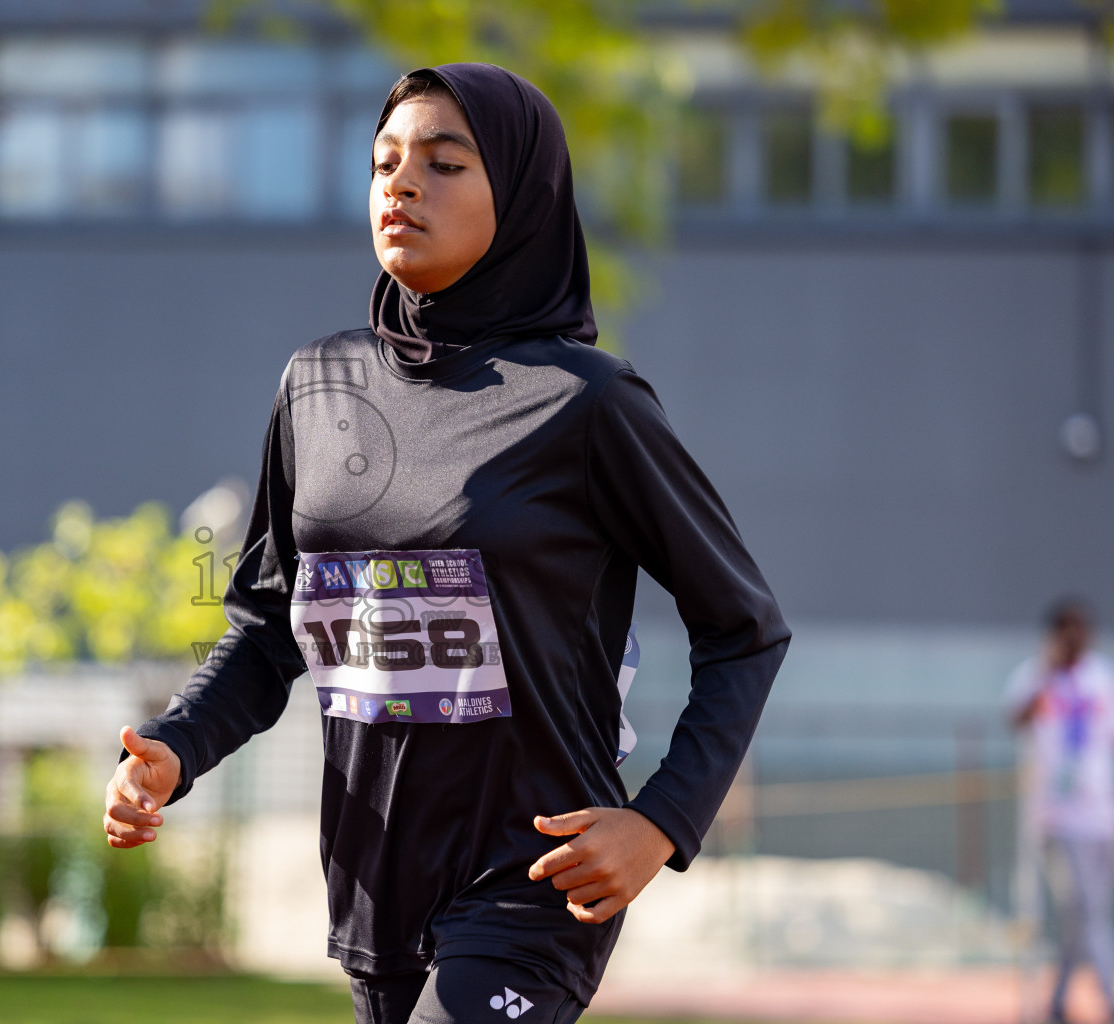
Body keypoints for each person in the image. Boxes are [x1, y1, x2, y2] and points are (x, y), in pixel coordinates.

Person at [104, 63, 789, 1024]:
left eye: (443, 161)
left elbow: (746, 628)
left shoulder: (587, 403)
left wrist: (660, 821)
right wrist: (175, 748)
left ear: (520, 194)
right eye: (384, 162)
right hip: (373, 877)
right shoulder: (317, 386)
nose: (402, 183)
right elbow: (268, 629)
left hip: (534, 875)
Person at [1006, 598, 1114, 1023]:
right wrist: (1049, 672)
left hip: (1101, 813)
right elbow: (1017, 716)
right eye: (1066, 628)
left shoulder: (1101, 676)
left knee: (1083, 916)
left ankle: (1057, 1002)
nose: (1074, 636)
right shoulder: (1036, 675)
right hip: (1060, 814)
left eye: (1080, 627)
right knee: (1089, 911)